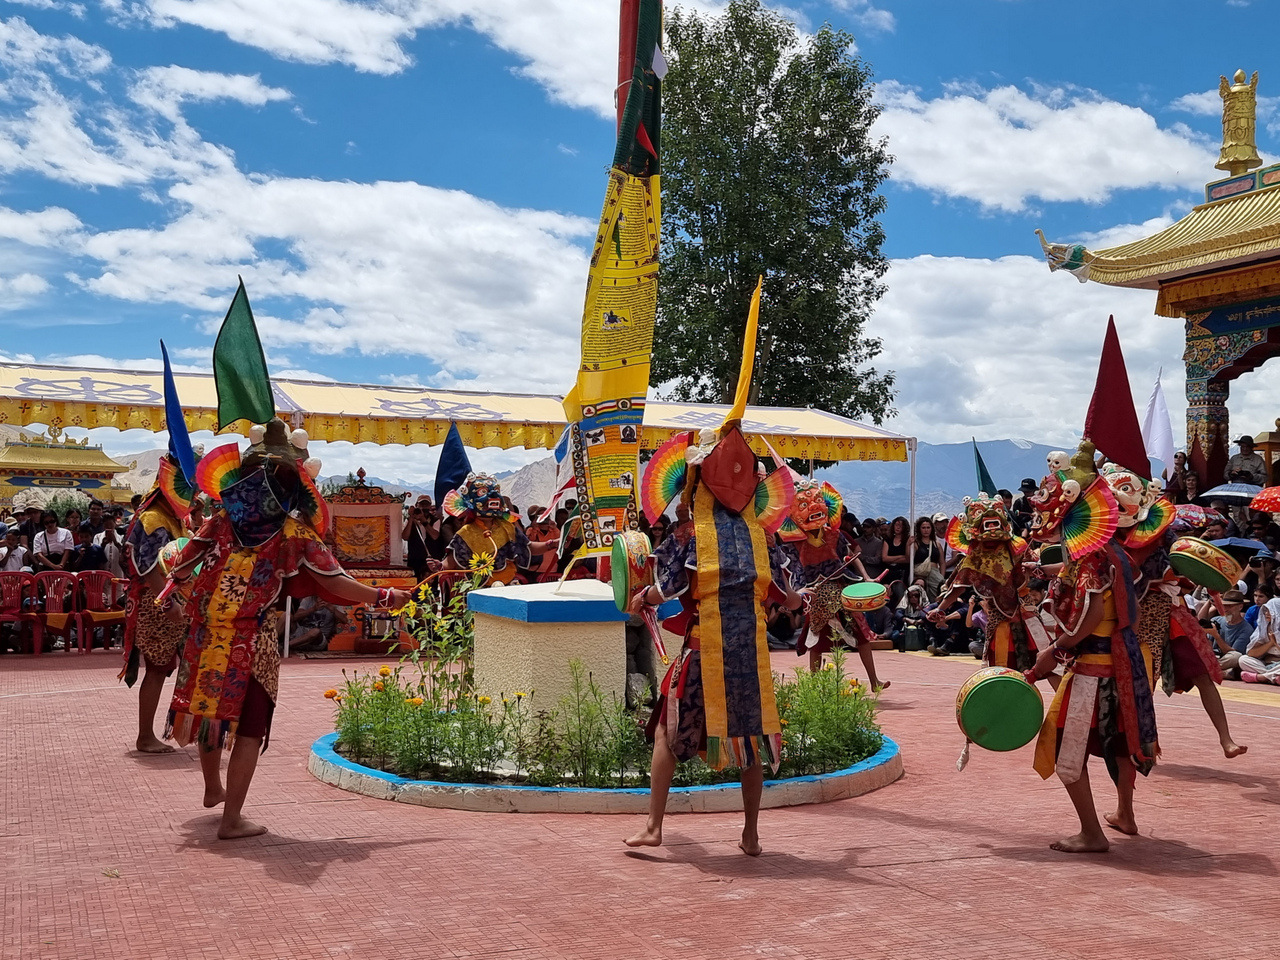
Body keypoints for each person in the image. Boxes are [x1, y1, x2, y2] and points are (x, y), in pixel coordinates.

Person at [161, 419, 413, 839]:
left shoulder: (222, 520)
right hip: (251, 637)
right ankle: (231, 820)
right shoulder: (292, 533)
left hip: (204, 631)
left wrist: (177, 597)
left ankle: (212, 788)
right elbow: (335, 582)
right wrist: (383, 596)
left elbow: (183, 563)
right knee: (249, 728)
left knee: (210, 714)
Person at [625, 422, 800, 856]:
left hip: (704, 651)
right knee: (750, 742)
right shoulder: (762, 536)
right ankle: (751, 835)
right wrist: (805, 598)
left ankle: (653, 827)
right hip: (751, 656)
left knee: (667, 732)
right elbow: (790, 597)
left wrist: (641, 597)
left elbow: (670, 588)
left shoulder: (691, 534)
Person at [1026, 442, 1158, 854]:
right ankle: (1125, 814)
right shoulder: (1115, 551)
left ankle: (1092, 833)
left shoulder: (1089, 558)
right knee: (1121, 742)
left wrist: (1057, 649)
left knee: (1062, 748)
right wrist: (1046, 569)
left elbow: (1094, 608)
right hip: (1124, 661)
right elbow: (1116, 596)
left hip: (1093, 668)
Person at [1100, 462, 1244, 760]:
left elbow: (1185, 562)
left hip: (1170, 611)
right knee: (1142, 680)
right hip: (1132, 615)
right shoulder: (1105, 539)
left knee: (1201, 674)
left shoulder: (1161, 529)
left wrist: (1195, 576)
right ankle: (1144, 744)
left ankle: (1226, 739)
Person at [121, 454, 196, 753]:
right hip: (158, 606)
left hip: (171, 602)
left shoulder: (171, 519)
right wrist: (168, 604)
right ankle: (145, 736)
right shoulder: (154, 519)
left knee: (167, 668)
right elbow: (149, 567)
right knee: (156, 669)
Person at [781, 479, 887, 689]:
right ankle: (814, 687)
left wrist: (866, 577)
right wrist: (798, 590)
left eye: (817, 502)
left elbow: (852, 556)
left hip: (841, 589)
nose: (814, 508)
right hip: (815, 595)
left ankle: (874, 681)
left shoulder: (835, 535)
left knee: (862, 636)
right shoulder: (794, 542)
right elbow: (792, 569)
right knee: (816, 640)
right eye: (804, 505)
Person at [928, 493, 1047, 672]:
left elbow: (1036, 568)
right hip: (1003, 616)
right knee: (1008, 665)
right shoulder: (978, 554)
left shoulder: (1015, 545)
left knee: (1042, 663)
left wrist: (940, 609)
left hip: (1024, 611)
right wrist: (940, 608)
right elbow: (959, 586)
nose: (991, 529)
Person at [441, 474, 553, 585]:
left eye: (496, 491)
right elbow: (449, 563)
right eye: (483, 492)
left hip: (509, 586)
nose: (494, 495)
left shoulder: (507, 526)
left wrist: (553, 544)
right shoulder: (466, 533)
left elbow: (528, 547)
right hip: (481, 589)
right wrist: (438, 566)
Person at [1209, 589, 1253, 680]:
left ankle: (1208, 670)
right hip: (1213, 656)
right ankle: (1218, 672)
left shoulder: (1246, 629)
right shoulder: (1216, 620)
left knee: (1236, 657)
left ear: (1240, 607)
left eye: (1229, 606)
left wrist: (1216, 636)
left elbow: (1232, 652)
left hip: (1226, 658)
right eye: (1224, 605)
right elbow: (1206, 645)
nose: (1225, 609)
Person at [1240, 586, 1280, 683]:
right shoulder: (1263, 627)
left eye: (1270, 611)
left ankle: (1261, 677)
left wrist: (1276, 643)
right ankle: (1274, 676)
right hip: (1267, 664)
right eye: (1265, 610)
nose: (1266, 613)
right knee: (1243, 660)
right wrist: (1271, 643)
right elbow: (1251, 653)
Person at [402, 495, 445, 582]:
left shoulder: (435, 520)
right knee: (415, 583)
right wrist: (411, 518)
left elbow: (435, 536)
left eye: (426, 505)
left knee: (431, 584)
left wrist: (423, 520)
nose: (424, 507)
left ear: (430, 506)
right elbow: (405, 537)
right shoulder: (410, 520)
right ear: (416, 505)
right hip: (415, 558)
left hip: (431, 560)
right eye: (421, 504)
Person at [910, 516, 945, 600]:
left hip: (935, 574)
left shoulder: (937, 544)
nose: (926, 530)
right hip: (920, 574)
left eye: (928, 527)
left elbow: (942, 562)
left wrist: (942, 576)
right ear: (919, 529)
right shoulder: (915, 543)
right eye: (923, 528)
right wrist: (908, 544)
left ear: (931, 529)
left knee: (939, 594)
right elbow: (909, 559)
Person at [524, 505, 560, 580]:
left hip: (551, 569)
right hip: (535, 570)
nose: (544, 518)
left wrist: (554, 527)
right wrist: (535, 528)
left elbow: (561, 542)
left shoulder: (554, 530)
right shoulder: (531, 530)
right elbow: (529, 544)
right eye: (540, 516)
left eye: (546, 515)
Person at [881, 516, 910, 604]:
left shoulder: (907, 540)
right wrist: (901, 557)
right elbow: (884, 558)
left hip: (902, 573)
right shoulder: (888, 540)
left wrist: (891, 559)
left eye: (900, 526)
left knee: (901, 595)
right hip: (889, 573)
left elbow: (908, 559)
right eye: (896, 525)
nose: (898, 527)